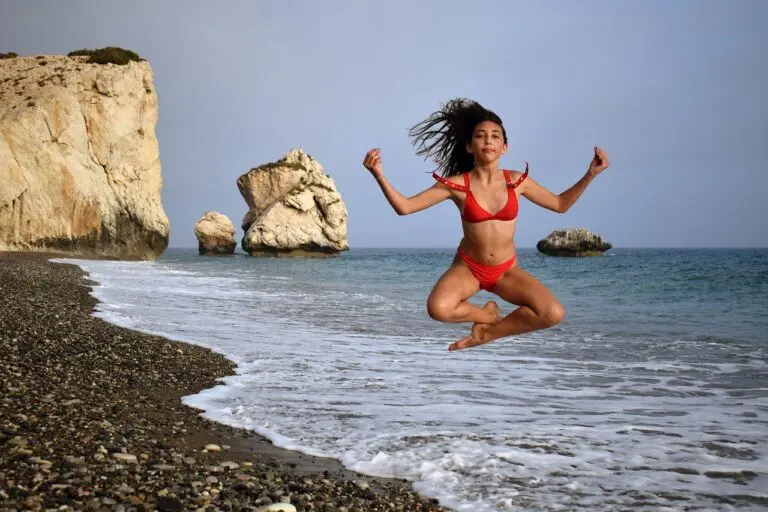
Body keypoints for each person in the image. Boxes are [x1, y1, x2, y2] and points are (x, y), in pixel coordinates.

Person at [362, 98, 610, 351]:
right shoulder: (456, 184)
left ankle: (489, 333)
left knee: (552, 313)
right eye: (480, 136)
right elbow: (405, 207)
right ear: (470, 146)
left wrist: (590, 174)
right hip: (469, 268)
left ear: (504, 147)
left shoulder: (517, 181)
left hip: (506, 271)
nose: (488, 141)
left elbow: (560, 204)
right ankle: (487, 316)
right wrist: (379, 175)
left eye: (495, 136)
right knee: (438, 309)